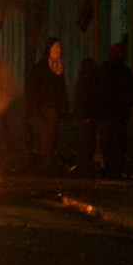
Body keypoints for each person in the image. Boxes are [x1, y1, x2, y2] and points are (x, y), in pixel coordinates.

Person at [26, 37, 70, 174]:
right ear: (49, 49)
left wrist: (64, 106)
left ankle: (47, 165)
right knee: (44, 139)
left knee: (51, 138)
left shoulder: (59, 67)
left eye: (60, 48)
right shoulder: (41, 68)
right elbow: (34, 90)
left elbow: (61, 89)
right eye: (55, 47)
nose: (58, 50)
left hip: (54, 109)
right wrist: (35, 109)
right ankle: (43, 166)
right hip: (43, 109)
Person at [97, 42, 133, 180]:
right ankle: (115, 171)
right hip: (118, 116)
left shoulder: (105, 71)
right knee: (117, 146)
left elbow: (97, 92)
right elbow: (132, 94)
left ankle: (109, 170)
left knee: (108, 145)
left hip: (108, 115)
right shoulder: (125, 73)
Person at [73, 58, 99, 177]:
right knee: (88, 142)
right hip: (88, 116)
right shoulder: (91, 81)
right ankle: (85, 167)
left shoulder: (84, 81)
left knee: (85, 142)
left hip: (86, 116)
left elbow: (82, 99)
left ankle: (85, 166)